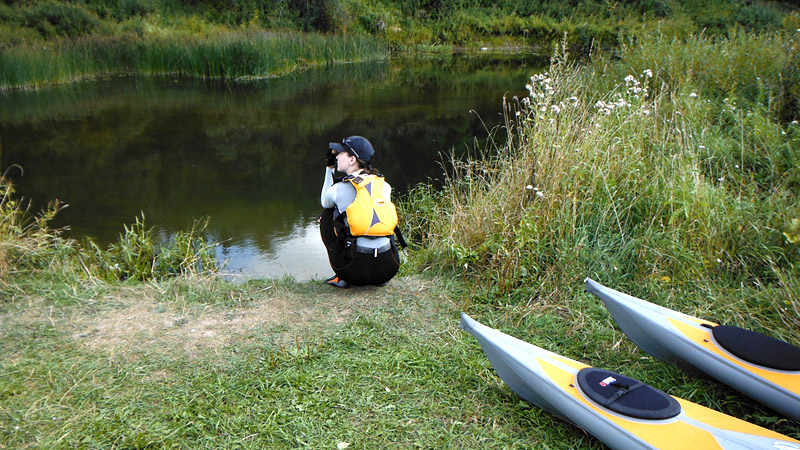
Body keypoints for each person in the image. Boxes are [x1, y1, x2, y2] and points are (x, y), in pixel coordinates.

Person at [319, 136, 402, 288]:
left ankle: (341, 277)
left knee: (326, 215)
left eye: (341, 153)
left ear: (352, 160)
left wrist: (329, 168)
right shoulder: (384, 186)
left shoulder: (338, 189)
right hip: (388, 269)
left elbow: (324, 201)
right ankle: (379, 272)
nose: (337, 156)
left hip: (353, 272)